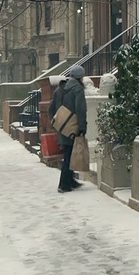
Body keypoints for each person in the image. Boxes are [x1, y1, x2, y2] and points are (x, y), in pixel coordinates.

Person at [48, 65, 87, 193]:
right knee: (69, 155)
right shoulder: (78, 89)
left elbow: (51, 109)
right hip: (72, 126)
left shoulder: (60, 89)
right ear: (80, 77)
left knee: (68, 152)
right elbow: (80, 109)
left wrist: (57, 122)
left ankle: (70, 181)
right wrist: (82, 127)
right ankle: (64, 184)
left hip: (62, 126)